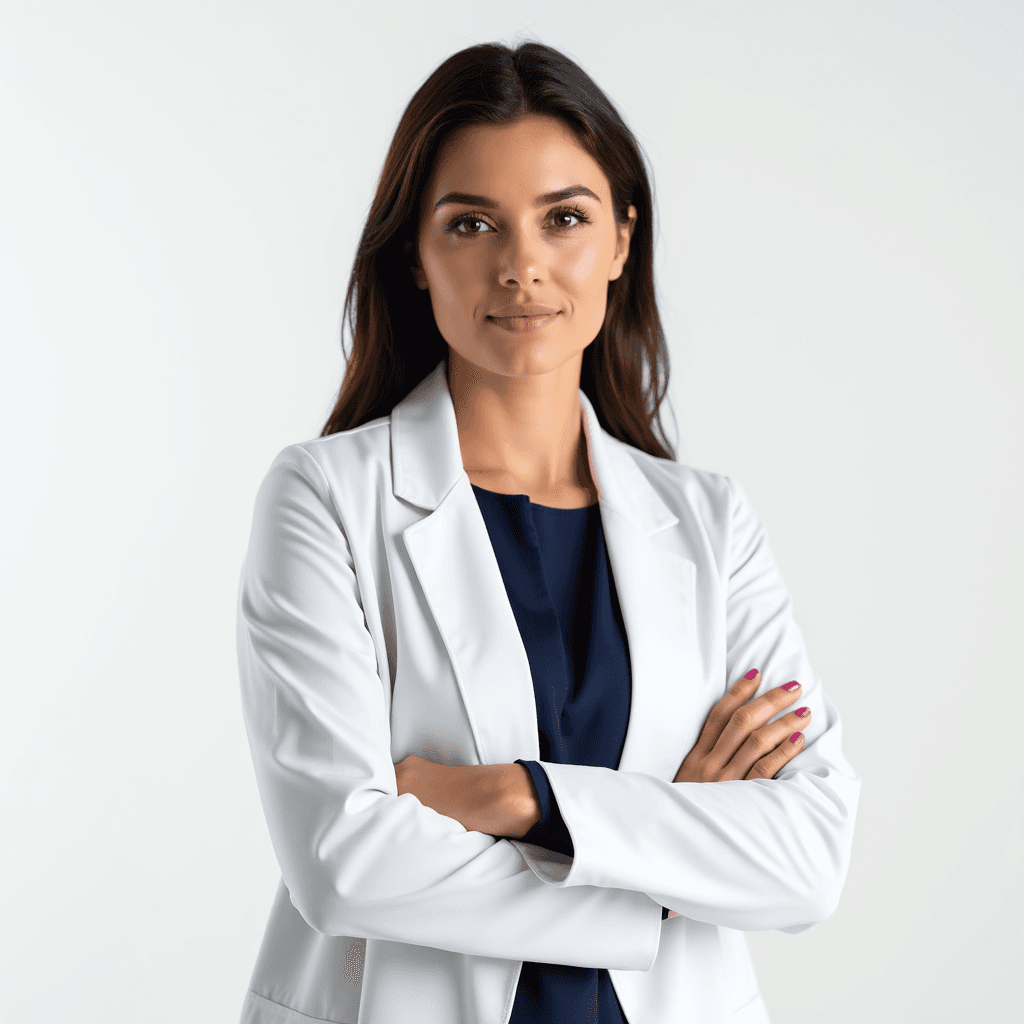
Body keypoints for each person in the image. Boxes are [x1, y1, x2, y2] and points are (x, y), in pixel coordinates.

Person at [235, 40, 860, 1024]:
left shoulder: (710, 524)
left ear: (620, 241)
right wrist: (665, 863)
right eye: (471, 223)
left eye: (563, 217)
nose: (520, 266)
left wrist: (521, 798)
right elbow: (343, 863)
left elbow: (808, 857)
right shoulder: (324, 500)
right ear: (416, 255)